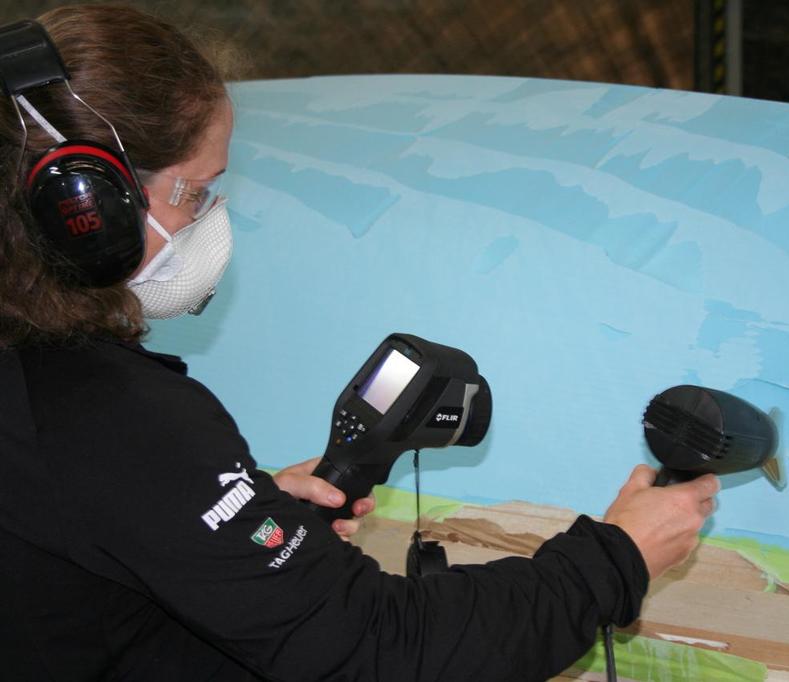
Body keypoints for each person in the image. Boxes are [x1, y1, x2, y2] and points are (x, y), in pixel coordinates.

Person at [0, 5, 719, 681]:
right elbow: (376, 648)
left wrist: (220, 528)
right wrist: (616, 560)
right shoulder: (115, 414)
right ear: (84, 205)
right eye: (196, 191)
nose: (211, 218)